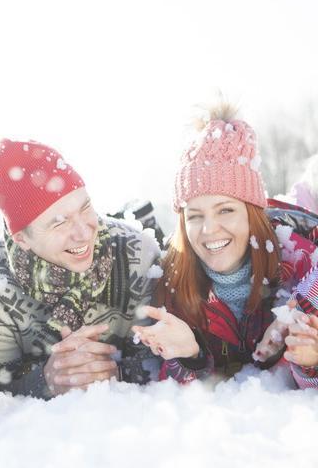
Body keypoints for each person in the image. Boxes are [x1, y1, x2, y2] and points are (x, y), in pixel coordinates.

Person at [132, 102, 318, 384]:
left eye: (225, 210)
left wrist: (309, 361)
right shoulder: (173, 280)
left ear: (252, 212)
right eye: (194, 215)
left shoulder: (297, 256)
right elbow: (176, 399)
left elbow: (301, 394)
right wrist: (188, 357)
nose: (209, 229)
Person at [0, 139, 162, 398]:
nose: (83, 232)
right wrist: (44, 380)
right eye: (60, 223)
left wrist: (116, 373)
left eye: (85, 207)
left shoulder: (138, 255)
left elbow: (167, 357)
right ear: (21, 238)